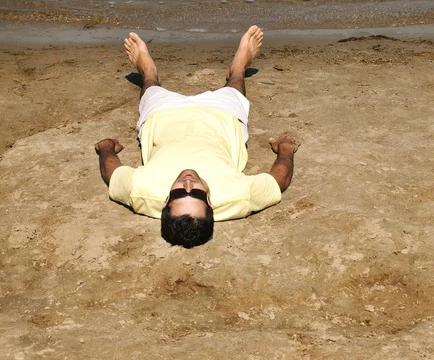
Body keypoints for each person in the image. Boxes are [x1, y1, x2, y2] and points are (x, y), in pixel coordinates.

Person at [95, 25, 300, 249]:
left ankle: (148, 70)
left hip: (164, 115)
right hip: (220, 117)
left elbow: (112, 174)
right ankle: (238, 66)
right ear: (210, 201)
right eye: (197, 195)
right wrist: (286, 150)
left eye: (180, 192)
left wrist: (106, 148)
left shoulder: (142, 192)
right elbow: (279, 181)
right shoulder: (237, 196)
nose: (188, 183)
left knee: (151, 87)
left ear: (165, 201)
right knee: (234, 87)